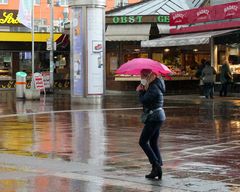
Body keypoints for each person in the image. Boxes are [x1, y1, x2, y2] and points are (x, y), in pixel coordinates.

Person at [136, 69, 166, 180]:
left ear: (148, 76)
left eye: (142, 76)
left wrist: (140, 91)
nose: (141, 78)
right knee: (153, 142)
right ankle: (156, 169)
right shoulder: (156, 84)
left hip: (154, 117)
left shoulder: (153, 87)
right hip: (157, 116)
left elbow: (144, 100)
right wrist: (144, 88)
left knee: (142, 142)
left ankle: (156, 165)